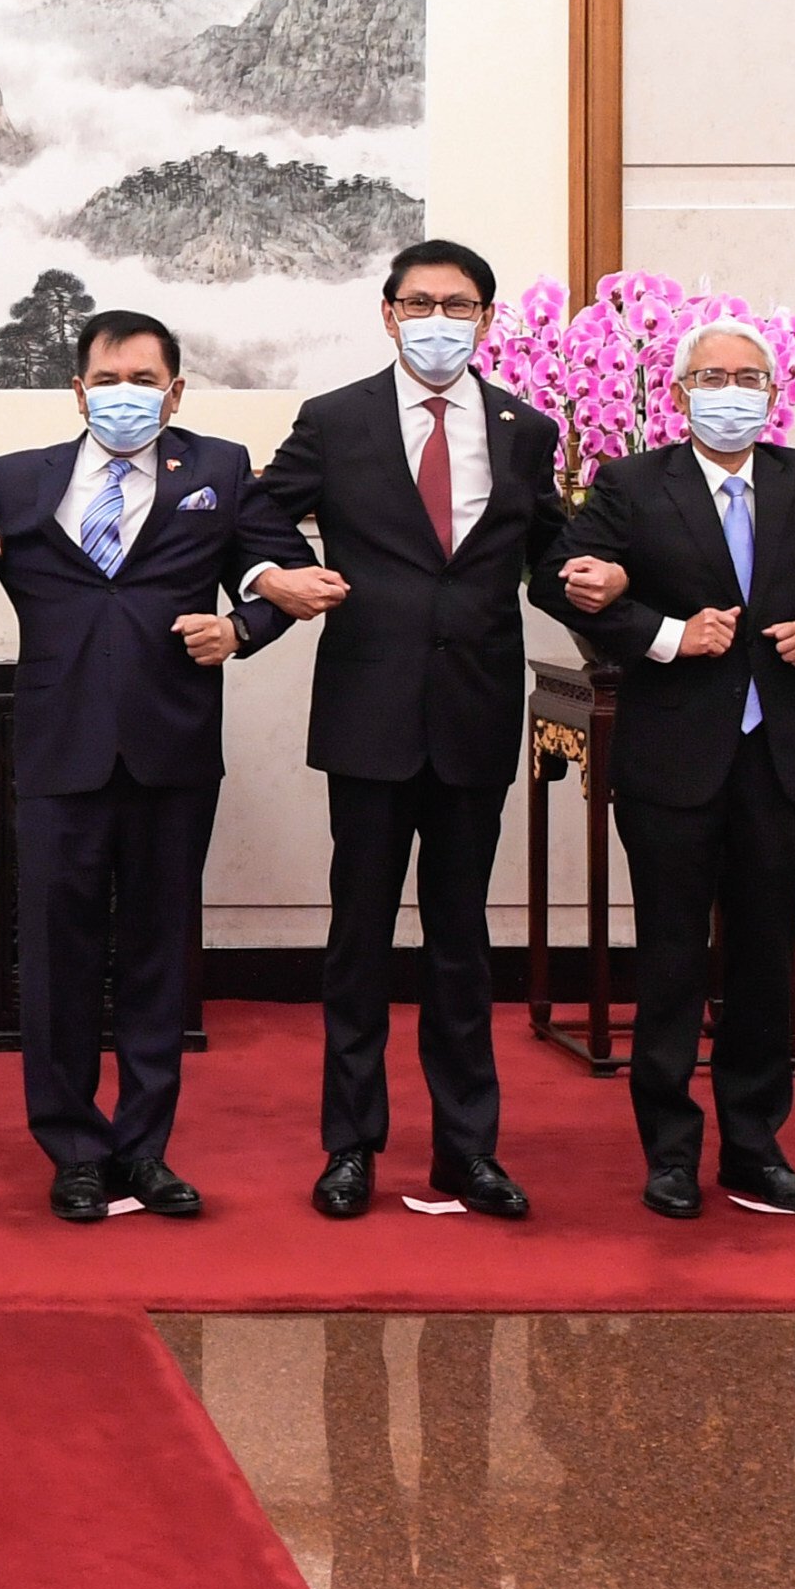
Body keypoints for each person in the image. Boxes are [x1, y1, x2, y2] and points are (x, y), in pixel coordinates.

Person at [534, 317, 795, 1219]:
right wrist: (665, 636)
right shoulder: (633, 482)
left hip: (780, 756)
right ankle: (670, 1152)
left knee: (761, 956)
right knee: (670, 955)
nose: (732, 390)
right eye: (712, 376)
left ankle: (755, 1146)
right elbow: (557, 578)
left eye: (750, 376)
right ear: (678, 394)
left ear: (775, 395)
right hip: (672, 755)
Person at [239, 239, 571, 1224]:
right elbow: (259, 516)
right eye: (419, 302)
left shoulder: (523, 428)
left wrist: (614, 598)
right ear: (387, 314)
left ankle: (468, 1150)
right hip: (368, 713)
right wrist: (275, 578)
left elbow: (548, 552)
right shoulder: (334, 420)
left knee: (462, 942)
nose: (438, 319)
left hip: (473, 712)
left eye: (458, 304)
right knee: (359, 938)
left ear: (486, 317)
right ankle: (351, 1146)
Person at [0, 309, 310, 1222]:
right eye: (108, 380)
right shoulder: (19, 478)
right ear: (78, 391)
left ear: (176, 390)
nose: (126, 395)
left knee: (159, 956)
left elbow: (282, 566)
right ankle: (73, 1149)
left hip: (172, 748)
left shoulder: (221, 471)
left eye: (144, 379)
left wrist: (242, 627)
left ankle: (145, 1149)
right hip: (57, 745)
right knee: (57, 955)